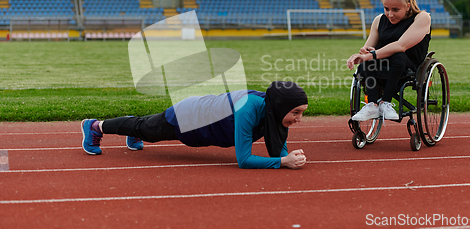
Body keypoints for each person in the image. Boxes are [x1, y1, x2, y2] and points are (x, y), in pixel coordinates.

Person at [81, 81, 308, 169]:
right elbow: (244, 160)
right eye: (296, 112)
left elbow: (278, 147)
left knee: (145, 127)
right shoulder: (249, 108)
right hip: (188, 118)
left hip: (202, 119)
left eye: (301, 113)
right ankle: (95, 126)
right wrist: (282, 161)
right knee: (146, 129)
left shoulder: (273, 111)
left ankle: (133, 128)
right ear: (279, 106)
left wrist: (289, 156)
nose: (298, 119)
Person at [346, 0, 431, 122]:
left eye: (395, 10)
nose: (390, 14)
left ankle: (385, 103)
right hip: (385, 63)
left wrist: (371, 55)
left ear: (408, 6)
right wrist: (364, 52)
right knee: (369, 58)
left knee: (398, 55)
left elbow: (401, 46)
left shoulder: (422, 17)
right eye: (386, 9)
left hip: (408, 66)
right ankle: (372, 105)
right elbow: (368, 49)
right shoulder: (379, 20)